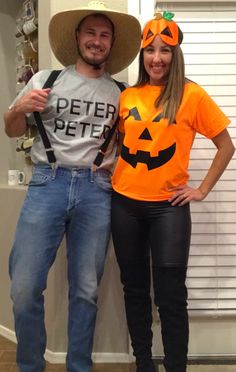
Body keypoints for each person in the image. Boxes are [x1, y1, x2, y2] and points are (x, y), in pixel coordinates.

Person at [4, 2, 141, 372]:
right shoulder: (44, 81)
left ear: (111, 45)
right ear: (78, 38)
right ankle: (31, 366)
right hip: (48, 181)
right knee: (25, 287)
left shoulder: (122, 94)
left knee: (86, 290)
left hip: (98, 188)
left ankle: (78, 366)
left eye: (104, 36)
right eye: (90, 33)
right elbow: (13, 130)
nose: (97, 41)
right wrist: (17, 110)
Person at [111, 11, 235, 372]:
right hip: (124, 205)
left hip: (169, 209)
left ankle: (176, 366)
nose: (157, 58)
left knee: (170, 296)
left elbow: (226, 146)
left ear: (175, 54)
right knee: (134, 291)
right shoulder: (127, 96)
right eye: (150, 50)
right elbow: (120, 146)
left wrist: (202, 189)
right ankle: (144, 363)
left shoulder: (191, 94)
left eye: (165, 50)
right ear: (142, 55)